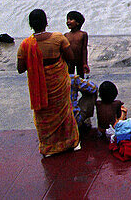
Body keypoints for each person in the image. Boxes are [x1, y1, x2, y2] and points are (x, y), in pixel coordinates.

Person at [17, 8, 79, 156]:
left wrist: (36, 61)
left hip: (39, 88)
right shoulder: (58, 38)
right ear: (46, 22)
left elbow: (20, 68)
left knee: (44, 115)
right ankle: (70, 142)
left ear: (31, 25)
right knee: (64, 111)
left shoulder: (25, 45)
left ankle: (49, 147)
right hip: (58, 83)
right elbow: (71, 58)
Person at [65, 11, 89, 77]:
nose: (68, 21)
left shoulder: (83, 34)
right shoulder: (66, 35)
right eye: (67, 19)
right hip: (69, 61)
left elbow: (84, 49)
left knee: (81, 77)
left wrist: (85, 63)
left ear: (78, 22)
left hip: (80, 60)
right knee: (69, 77)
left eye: (71, 19)